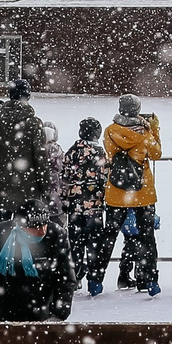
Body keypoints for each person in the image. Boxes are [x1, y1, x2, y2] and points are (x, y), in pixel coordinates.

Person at [0, 79, 57, 274]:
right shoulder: (33, 123)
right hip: (27, 191)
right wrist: (45, 190)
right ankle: (22, 273)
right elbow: (41, 160)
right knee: (27, 235)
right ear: (27, 97)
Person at [104, 94, 165, 297]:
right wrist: (154, 128)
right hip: (142, 192)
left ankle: (96, 278)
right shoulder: (145, 133)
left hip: (116, 191)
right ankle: (150, 280)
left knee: (108, 236)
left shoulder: (110, 131)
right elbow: (156, 153)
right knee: (147, 238)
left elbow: (109, 152)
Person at [61, 118, 113, 294]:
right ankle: (94, 280)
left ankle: (74, 277)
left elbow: (64, 179)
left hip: (74, 206)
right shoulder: (99, 153)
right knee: (94, 244)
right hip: (94, 206)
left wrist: (65, 200)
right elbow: (105, 178)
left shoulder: (71, 152)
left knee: (75, 244)